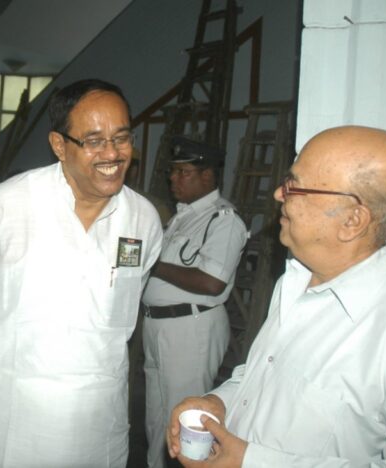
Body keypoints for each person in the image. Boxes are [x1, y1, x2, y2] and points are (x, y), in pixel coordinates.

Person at [166, 125, 386, 467]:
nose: (279, 193)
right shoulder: (296, 278)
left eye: (295, 186)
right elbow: (263, 375)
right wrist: (219, 403)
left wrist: (251, 462)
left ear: (353, 220)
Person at [0, 78, 163, 467]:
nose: (113, 153)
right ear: (59, 145)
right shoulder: (9, 205)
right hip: (10, 419)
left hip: (97, 422)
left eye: (122, 138)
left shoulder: (143, 219)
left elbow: (124, 308)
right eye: (94, 141)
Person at [141, 136, 247, 468]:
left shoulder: (223, 220)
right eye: (173, 172)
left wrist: (153, 263)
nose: (173, 179)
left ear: (208, 175)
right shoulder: (180, 218)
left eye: (183, 172)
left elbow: (211, 282)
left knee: (185, 421)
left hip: (191, 328)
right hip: (157, 325)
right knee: (157, 420)